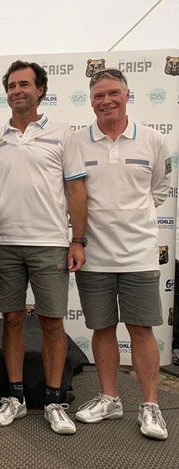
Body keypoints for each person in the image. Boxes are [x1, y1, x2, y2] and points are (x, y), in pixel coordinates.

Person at [0, 60, 87, 435]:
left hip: (50, 244)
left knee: (52, 323)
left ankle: (54, 400)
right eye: (11, 85)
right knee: (10, 320)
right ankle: (14, 397)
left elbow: (75, 189)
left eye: (24, 84)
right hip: (4, 244)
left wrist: (77, 239)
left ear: (40, 89)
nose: (17, 91)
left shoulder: (63, 134)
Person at [68, 68, 170, 440]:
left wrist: (131, 219)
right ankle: (109, 398)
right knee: (102, 328)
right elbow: (74, 195)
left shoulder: (155, 141)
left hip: (139, 253)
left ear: (128, 95)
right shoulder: (77, 141)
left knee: (141, 330)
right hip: (91, 252)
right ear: (90, 100)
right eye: (98, 95)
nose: (106, 101)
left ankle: (150, 405)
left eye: (113, 93)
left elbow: (158, 190)